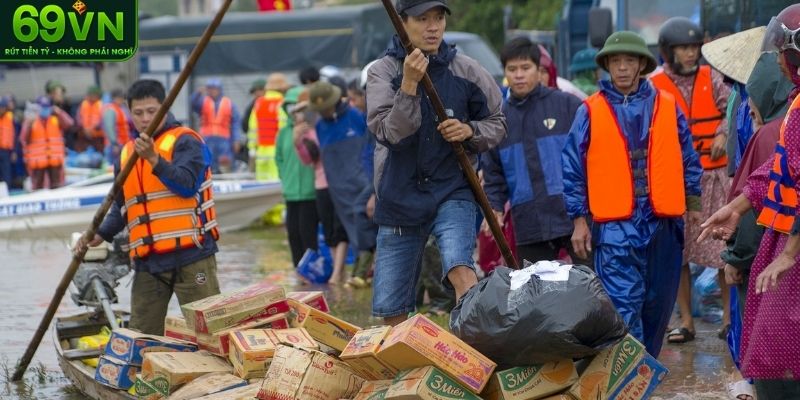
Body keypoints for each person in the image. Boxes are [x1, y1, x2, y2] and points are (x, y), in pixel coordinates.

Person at [561, 31, 703, 358]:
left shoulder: (667, 105)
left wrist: (693, 203)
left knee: (658, 305)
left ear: (641, 64)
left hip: (663, 225)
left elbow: (687, 156)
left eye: (629, 60)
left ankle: (642, 372)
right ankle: (630, 378)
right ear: (607, 65)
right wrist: (578, 220)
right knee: (624, 306)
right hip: (614, 227)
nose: (622, 67)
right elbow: (571, 167)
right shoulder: (589, 110)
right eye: (615, 61)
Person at [366, 0, 505, 326]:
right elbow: (391, 134)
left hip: (452, 188)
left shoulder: (467, 69)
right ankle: (404, 368)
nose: (433, 27)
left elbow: (498, 122)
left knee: (461, 269)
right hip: (399, 191)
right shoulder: (382, 72)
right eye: (422, 19)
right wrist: (410, 85)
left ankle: (470, 355)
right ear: (402, 23)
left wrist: (470, 131)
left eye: (438, 18)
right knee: (392, 307)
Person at [700, 6, 800, 397]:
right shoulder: (794, 108)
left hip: (791, 250)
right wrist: (737, 206)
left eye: (782, 54)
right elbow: (778, 170)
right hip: (785, 246)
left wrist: (789, 252)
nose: (777, 62)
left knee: (781, 368)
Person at [74, 79, 221, 335]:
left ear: (164, 109)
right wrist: (100, 234)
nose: (145, 119)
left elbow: (187, 185)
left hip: (193, 256)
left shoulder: (186, 142)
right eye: (138, 113)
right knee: (142, 334)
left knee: (208, 331)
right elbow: (123, 205)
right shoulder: (126, 154)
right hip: (149, 262)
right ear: (130, 113)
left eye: (152, 111)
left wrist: (154, 158)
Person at [650, 17, 733, 344]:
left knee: (723, 248)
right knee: (678, 253)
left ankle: (728, 318)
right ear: (668, 51)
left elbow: (731, 108)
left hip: (714, 178)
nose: (690, 53)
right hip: (677, 180)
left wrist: (723, 132)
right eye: (683, 48)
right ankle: (685, 320)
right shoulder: (653, 84)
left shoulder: (710, 77)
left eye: (694, 47)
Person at [482, 37, 587, 266]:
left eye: (525, 68)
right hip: (528, 223)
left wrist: (584, 216)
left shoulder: (568, 106)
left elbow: (587, 160)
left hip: (572, 218)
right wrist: (495, 207)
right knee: (536, 297)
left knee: (588, 292)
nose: (519, 75)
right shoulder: (499, 120)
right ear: (505, 72)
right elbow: (493, 173)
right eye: (512, 69)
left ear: (539, 70)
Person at [308, 81, 377, 288]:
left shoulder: (355, 116)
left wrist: (370, 183)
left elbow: (370, 147)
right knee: (352, 231)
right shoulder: (320, 126)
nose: (325, 111)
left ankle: (370, 272)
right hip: (338, 189)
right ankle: (363, 272)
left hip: (362, 183)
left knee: (370, 226)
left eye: (327, 107)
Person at [292, 95, 350, 284]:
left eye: (304, 111)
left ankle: (337, 272)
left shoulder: (326, 125)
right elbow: (308, 160)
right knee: (330, 231)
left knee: (340, 229)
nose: (301, 116)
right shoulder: (304, 134)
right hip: (321, 185)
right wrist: (297, 142)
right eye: (298, 113)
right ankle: (338, 271)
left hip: (339, 184)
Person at [275, 86, 319, 268]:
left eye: (298, 107)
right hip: (291, 191)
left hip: (311, 192)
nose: (294, 112)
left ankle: (312, 270)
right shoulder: (283, 133)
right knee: (293, 233)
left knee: (307, 232)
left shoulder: (312, 129)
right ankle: (298, 270)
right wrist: (284, 178)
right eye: (290, 107)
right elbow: (279, 158)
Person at [20, 96, 73, 190]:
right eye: (43, 107)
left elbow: (69, 124)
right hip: (38, 161)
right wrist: (29, 124)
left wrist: (59, 112)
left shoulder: (55, 119)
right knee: (37, 187)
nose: (45, 109)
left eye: (47, 107)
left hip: (55, 159)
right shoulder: (32, 121)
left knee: (58, 186)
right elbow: (23, 139)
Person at [191, 78, 241, 173]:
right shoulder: (203, 101)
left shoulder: (229, 103)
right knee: (207, 163)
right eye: (210, 88)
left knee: (225, 163)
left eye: (214, 88)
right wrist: (197, 94)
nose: (212, 91)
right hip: (207, 138)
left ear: (219, 89)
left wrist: (236, 139)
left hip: (224, 140)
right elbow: (193, 103)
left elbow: (235, 122)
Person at [249, 73, 290, 181]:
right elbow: (284, 129)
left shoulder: (259, 103)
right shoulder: (282, 103)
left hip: (261, 151)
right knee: (276, 184)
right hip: (276, 151)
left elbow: (253, 128)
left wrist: (252, 147)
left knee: (261, 185)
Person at [239, 78, 266, 166]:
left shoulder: (272, 105)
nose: (257, 94)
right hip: (253, 149)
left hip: (267, 148)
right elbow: (244, 127)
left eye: (260, 90)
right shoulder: (251, 107)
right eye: (255, 91)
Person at [102, 88, 132, 166]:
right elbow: (109, 127)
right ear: (116, 98)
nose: (122, 100)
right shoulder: (111, 110)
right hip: (115, 145)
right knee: (113, 166)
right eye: (121, 98)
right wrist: (114, 143)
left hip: (122, 144)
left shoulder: (119, 108)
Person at [77, 86, 106, 153]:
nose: (90, 96)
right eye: (89, 94)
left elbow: (102, 120)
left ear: (97, 95)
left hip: (98, 137)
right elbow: (78, 118)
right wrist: (84, 129)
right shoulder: (83, 104)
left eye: (93, 94)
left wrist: (92, 128)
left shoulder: (101, 105)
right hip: (85, 136)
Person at [0, 97, 15, 186]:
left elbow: (13, 135)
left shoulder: (9, 117)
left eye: (2, 107)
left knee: (6, 173)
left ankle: (7, 189)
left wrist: (13, 151)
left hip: (6, 150)